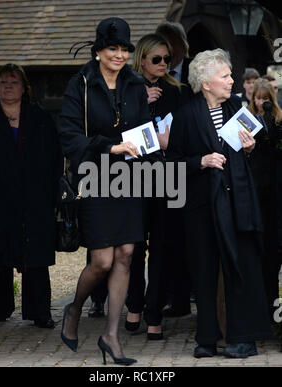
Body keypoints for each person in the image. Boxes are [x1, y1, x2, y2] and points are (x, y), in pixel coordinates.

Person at [167, 49, 272, 358]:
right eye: (225, 76)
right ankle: (207, 339)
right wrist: (201, 160)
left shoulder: (237, 108)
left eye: (230, 75)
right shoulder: (186, 115)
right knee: (204, 270)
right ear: (206, 82)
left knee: (241, 269)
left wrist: (250, 149)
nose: (231, 81)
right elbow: (171, 163)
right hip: (201, 207)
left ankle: (243, 338)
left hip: (237, 203)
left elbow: (247, 153)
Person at [58, 17, 151, 365]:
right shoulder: (79, 84)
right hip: (94, 178)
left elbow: (142, 130)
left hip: (129, 180)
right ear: (98, 51)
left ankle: (111, 336)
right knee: (102, 260)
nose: (120, 55)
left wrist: (153, 141)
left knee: (126, 253)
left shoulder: (135, 84)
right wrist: (111, 148)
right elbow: (68, 137)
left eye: (125, 49)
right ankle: (75, 309)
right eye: (113, 48)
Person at [0, 63, 62, 328]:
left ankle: (39, 311)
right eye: (3, 82)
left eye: (13, 82)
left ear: (24, 87)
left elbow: (54, 155)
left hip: (34, 197)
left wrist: (51, 192)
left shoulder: (38, 116)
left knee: (35, 253)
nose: (8, 86)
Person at [124, 33, 190, 340]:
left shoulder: (179, 92)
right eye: (157, 59)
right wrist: (141, 105)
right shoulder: (126, 88)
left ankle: (154, 314)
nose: (164, 64)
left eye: (167, 59)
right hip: (134, 176)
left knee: (163, 246)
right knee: (134, 245)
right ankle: (134, 304)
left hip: (169, 175)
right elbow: (115, 132)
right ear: (142, 59)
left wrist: (170, 140)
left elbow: (188, 132)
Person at [155, 20, 194, 316]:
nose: (167, 54)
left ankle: (183, 295)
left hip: (190, 163)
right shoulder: (153, 79)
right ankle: (167, 296)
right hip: (159, 168)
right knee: (164, 236)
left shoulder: (195, 73)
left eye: (171, 46)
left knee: (185, 234)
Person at [248, 78, 282, 321]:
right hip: (255, 191)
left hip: (275, 193)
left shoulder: (279, 122)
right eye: (258, 99)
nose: (262, 103)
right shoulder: (246, 121)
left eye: (266, 99)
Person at [155, 21, 192, 85]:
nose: (170, 50)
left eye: (173, 44)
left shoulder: (196, 69)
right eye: (165, 45)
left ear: (184, 46)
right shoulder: (150, 72)